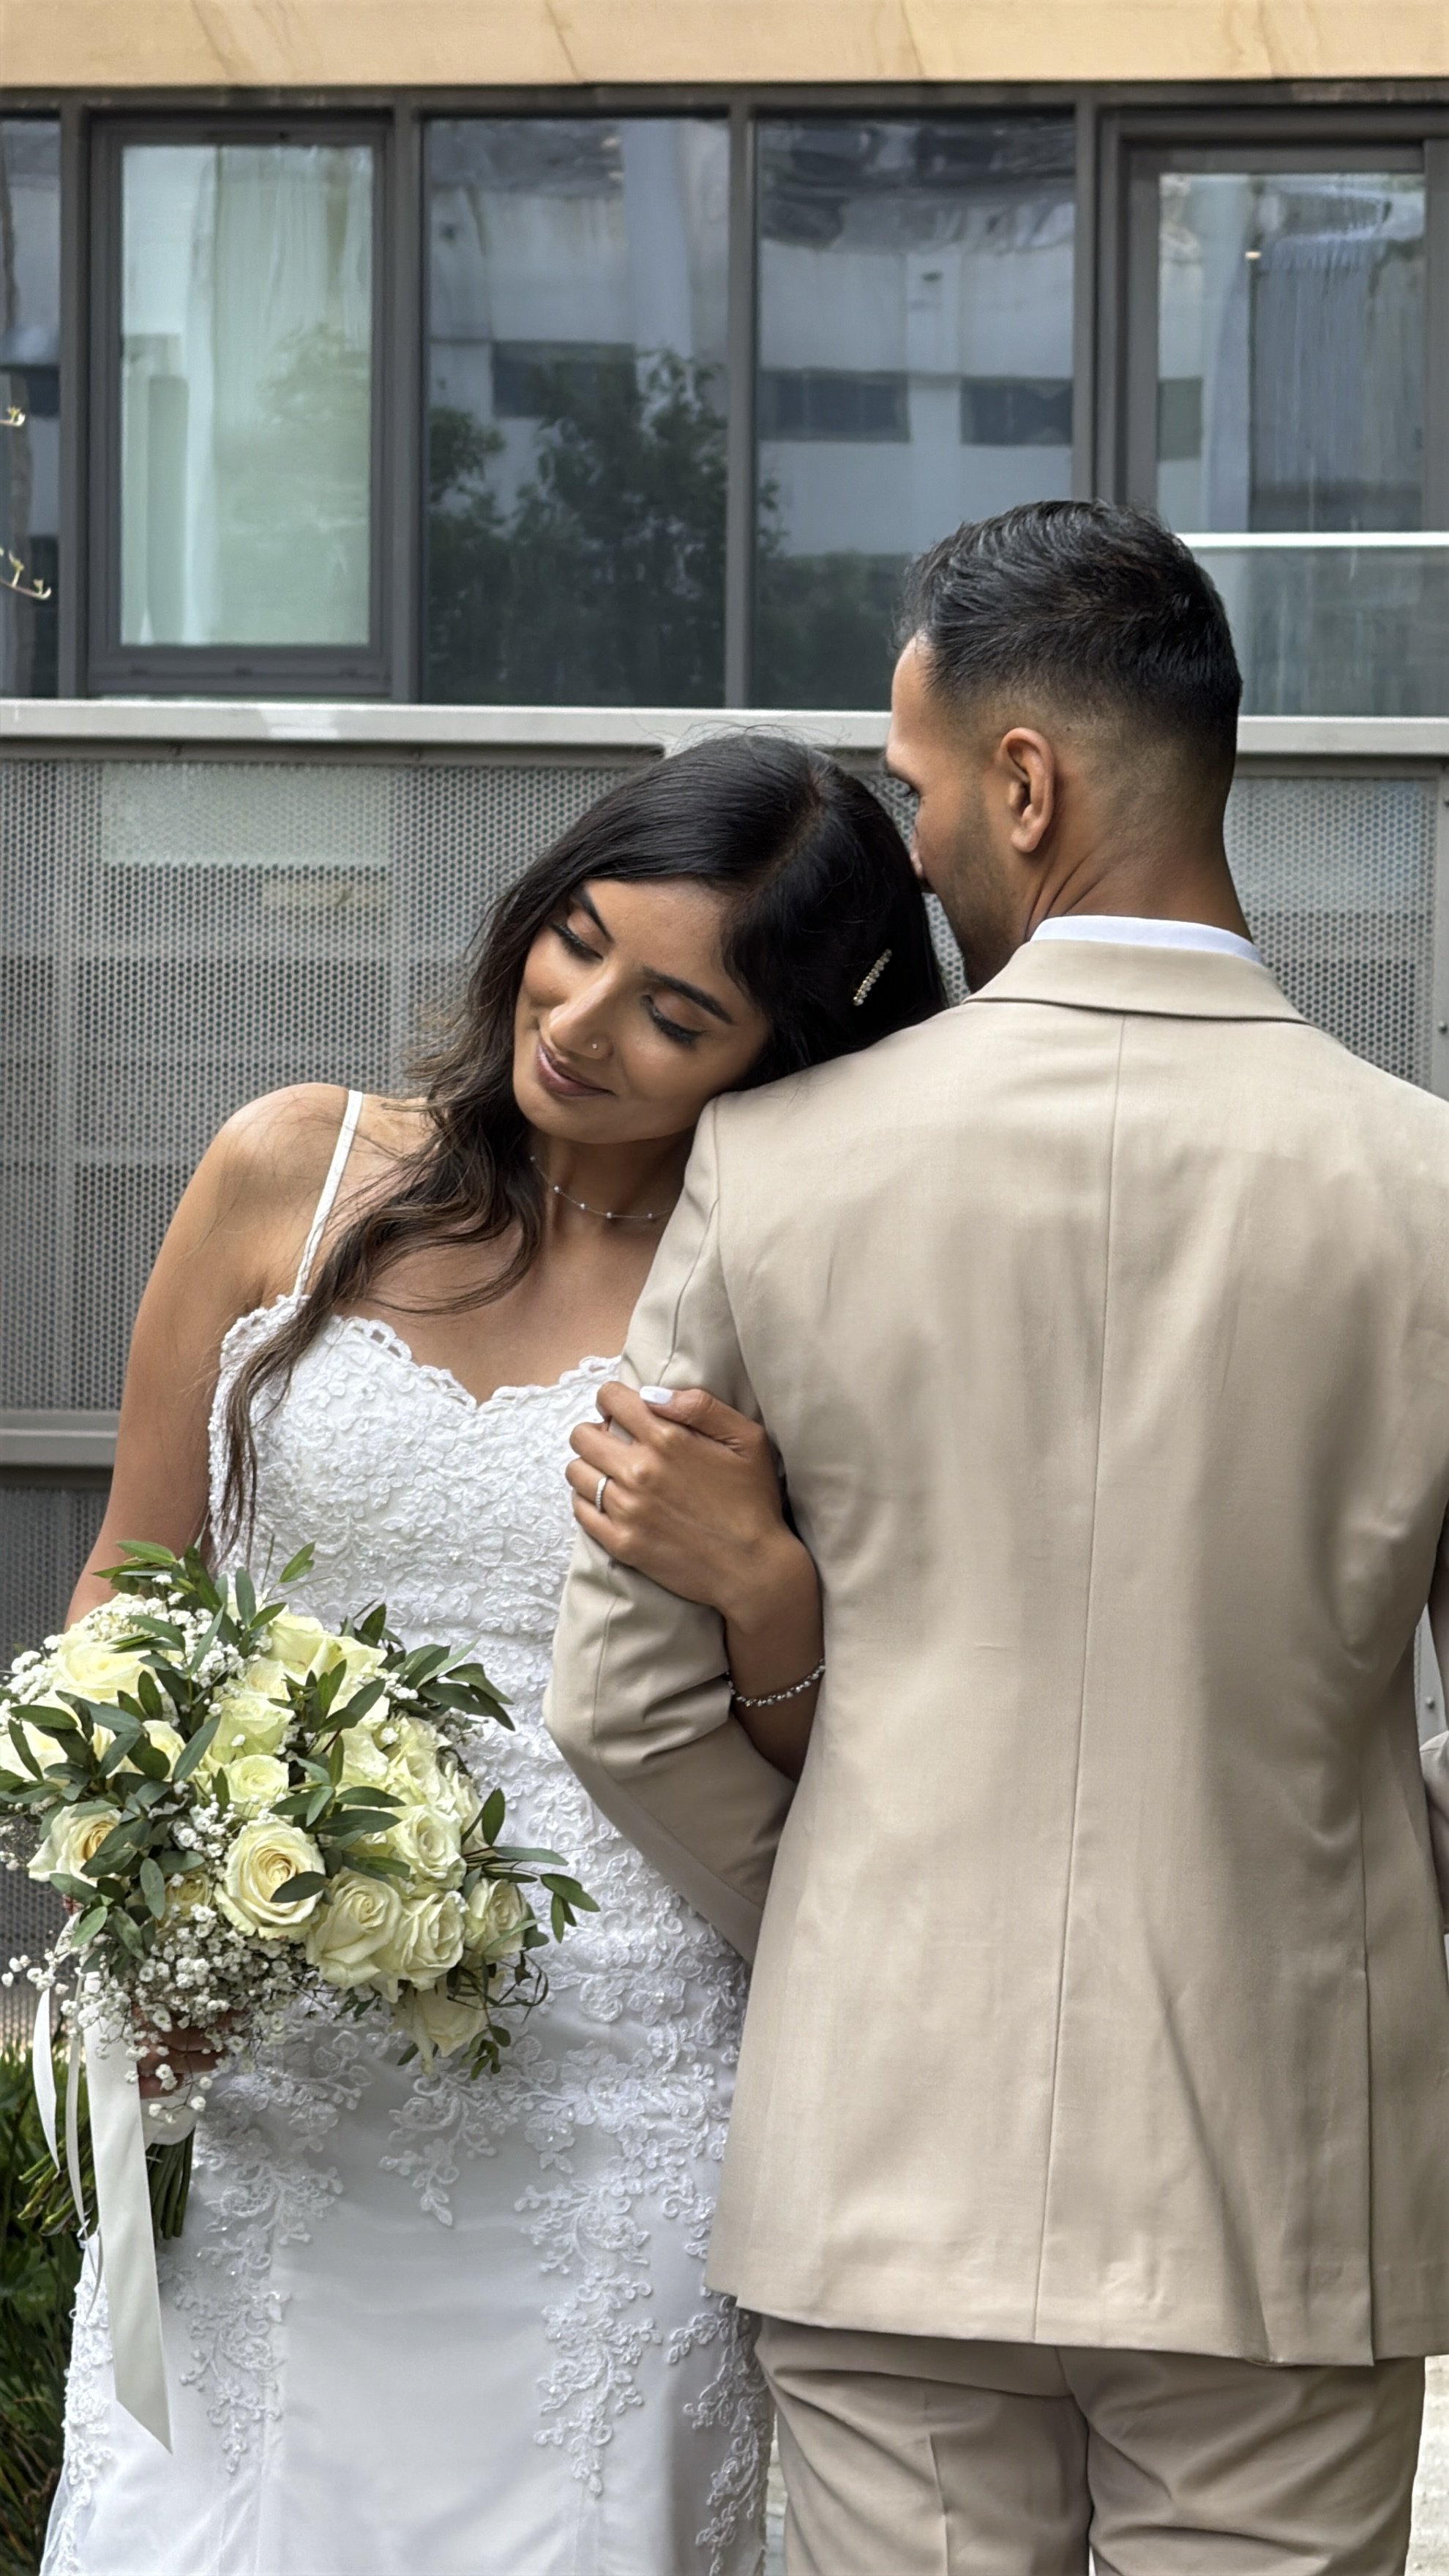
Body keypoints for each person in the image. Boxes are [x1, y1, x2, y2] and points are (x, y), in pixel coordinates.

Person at [547, 501, 1449, 2575]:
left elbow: (622, 1695)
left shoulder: (772, 1165)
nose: (917, 840)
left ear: (1025, 786)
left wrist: (856, 1914)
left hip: (878, 2167)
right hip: (1284, 2187)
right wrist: (1348, 1912)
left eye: (918, 784)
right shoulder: (1424, 1192)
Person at [40, 733, 945, 2576]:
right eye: (580, 936)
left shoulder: (800, 1296)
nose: (584, 1018)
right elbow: (130, 1583)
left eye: (676, 1009)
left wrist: (764, 1588)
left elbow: (872, 1779)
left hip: (615, 2098)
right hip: (271, 2074)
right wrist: (161, 1908)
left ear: (782, 1048)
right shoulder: (286, 1169)